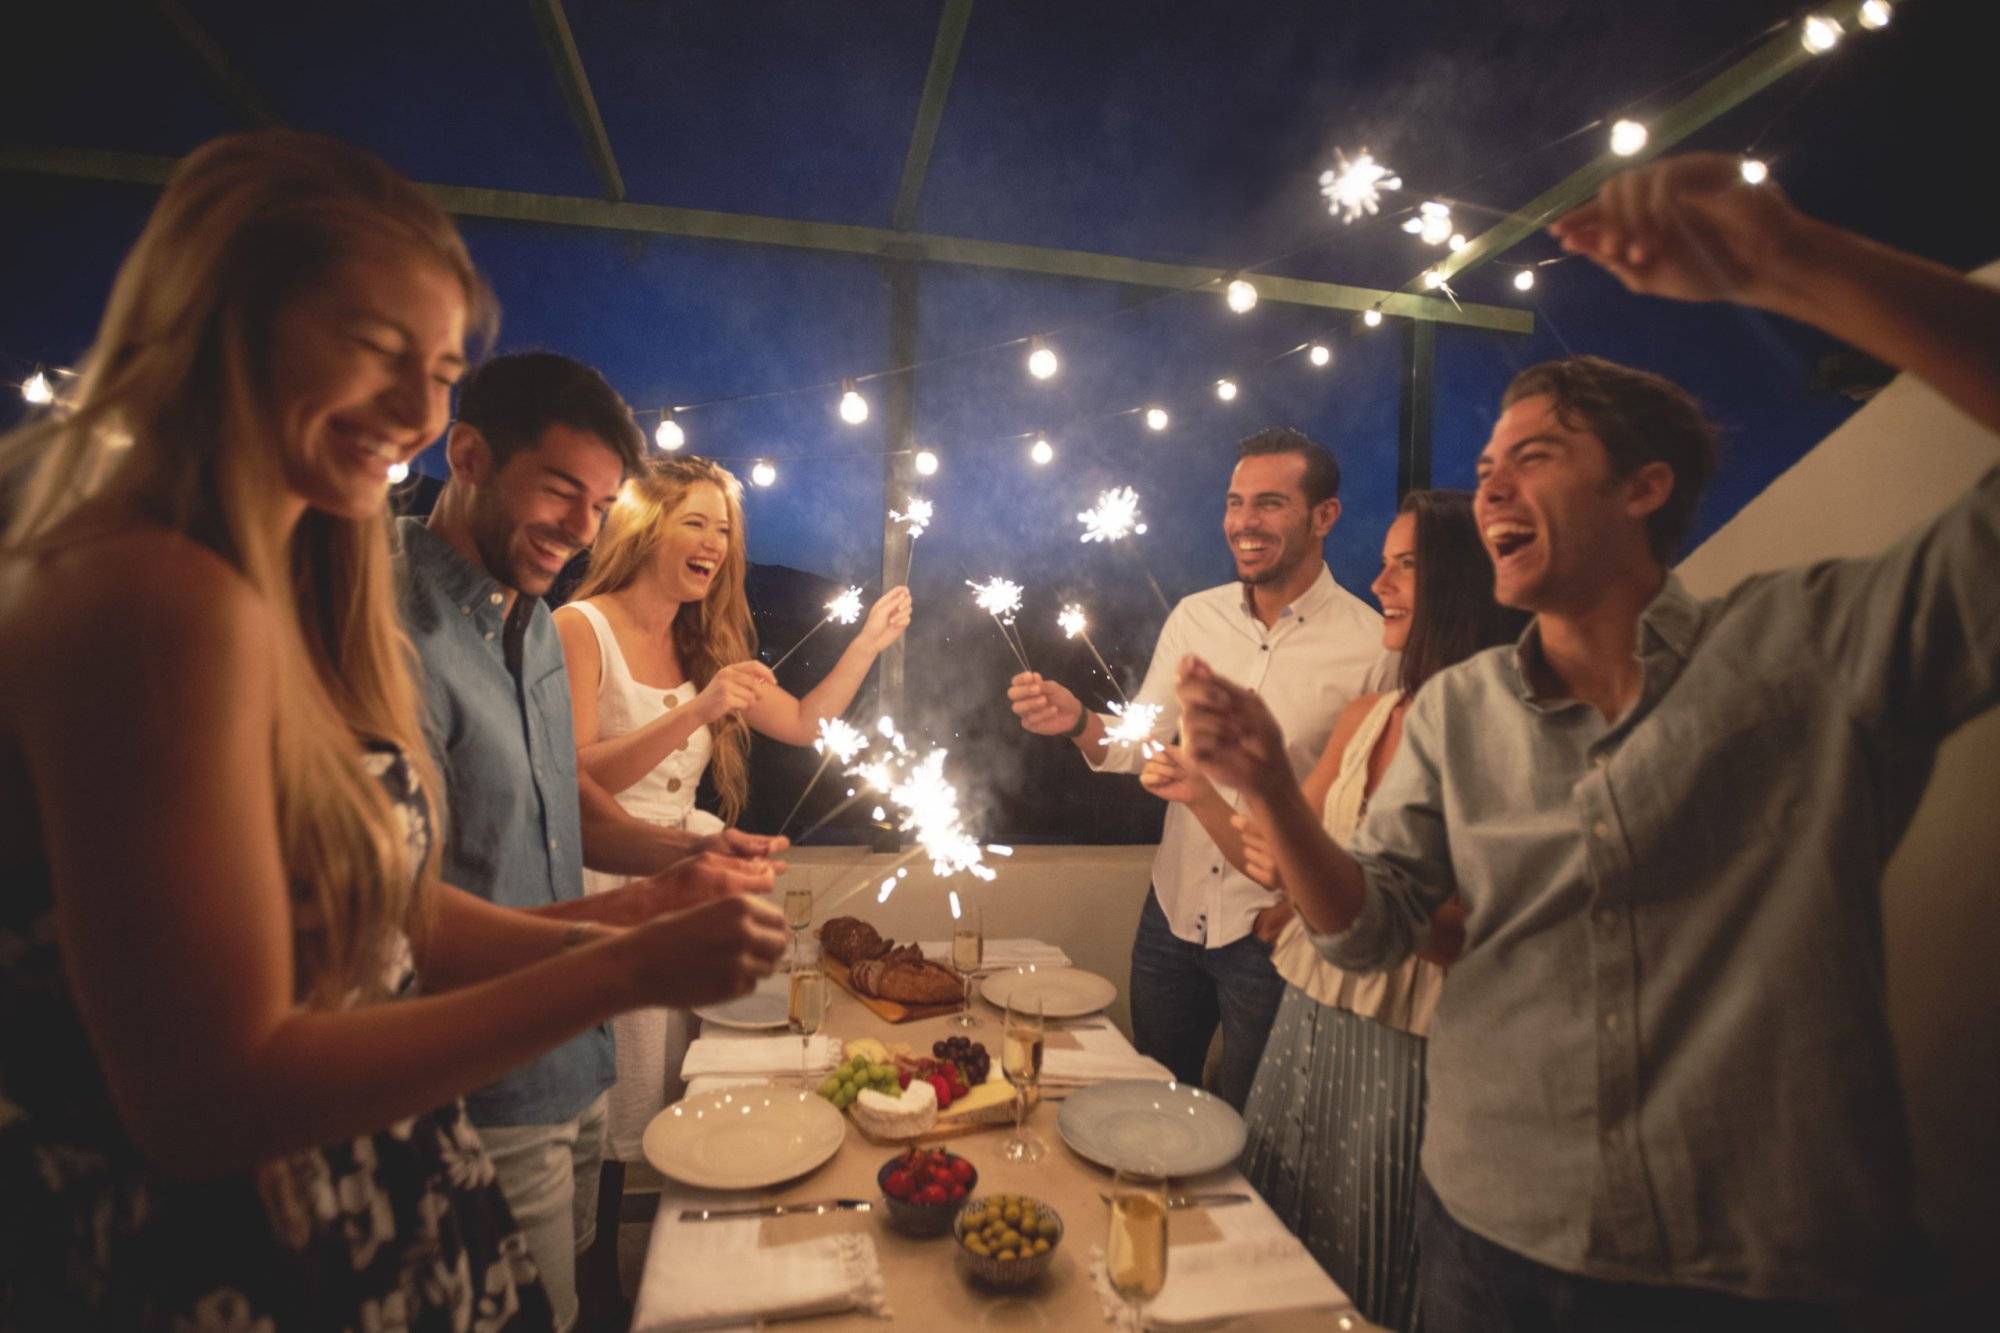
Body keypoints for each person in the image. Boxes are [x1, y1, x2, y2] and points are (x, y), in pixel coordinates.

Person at [1176, 154, 2000, 1329]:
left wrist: (1790, 260)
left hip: (1765, 1268)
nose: (1492, 485)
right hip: (1489, 1239)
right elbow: (1366, 936)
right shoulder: (1461, 712)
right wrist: (1265, 785)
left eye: (1534, 456)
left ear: (1641, 488)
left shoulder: (1807, 649)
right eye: (1483, 466)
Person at [0, 130, 789, 1331]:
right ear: (220, 317)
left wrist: (616, 913)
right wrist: (625, 970)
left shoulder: (298, 581)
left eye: (439, 366)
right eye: (377, 348)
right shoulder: (157, 590)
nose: (421, 411)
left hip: (389, 1201)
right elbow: (203, 1097)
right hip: (241, 1259)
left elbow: (375, 908)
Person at [398, 351, 789, 1331]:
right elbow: (389, 911)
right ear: (469, 456)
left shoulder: (529, 623)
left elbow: (561, 812)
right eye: (561, 490)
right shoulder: (390, 619)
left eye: (600, 501)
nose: (579, 525)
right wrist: (628, 953)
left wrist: (681, 867)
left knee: (576, 1304)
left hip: (575, 1057)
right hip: (483, 1079)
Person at [1142, 489, 1525, 1329]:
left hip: (1412, 1041)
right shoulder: (1369, 715)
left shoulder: (1502, 725)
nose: (1381, 581)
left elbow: (1500, 923)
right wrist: (1207, 788)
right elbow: (1280, 865)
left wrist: (1345, 910)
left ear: (1462, 580)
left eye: (1405, 564)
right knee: (1282, 1233)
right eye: (1383, 562)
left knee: (1380, 1257)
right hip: (1312, 1022)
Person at [1007, 428, 1391, 1109]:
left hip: (1274, 933)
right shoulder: (1196, 616)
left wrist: (1298, 904)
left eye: (1269, 503)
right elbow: (1143, 740)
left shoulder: (1369, 646)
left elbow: (1362, 816)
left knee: (1258, 1129)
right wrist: (1080, 722)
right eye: (1235, 502)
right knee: (1154, 1106)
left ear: (1324, 516)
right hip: (1172, 916)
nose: (1244, 522)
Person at [552, 452, 911, 1161]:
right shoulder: (578, 624)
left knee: (670, 1083)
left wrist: (868, 644)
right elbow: (570, 774)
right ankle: (593, 1261)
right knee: (605, 1093)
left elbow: (808, 723)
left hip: (686, 878)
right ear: (645, 528)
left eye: (724, 529)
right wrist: (699, 710)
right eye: (695, 522)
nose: (716, 543)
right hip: (605, 877)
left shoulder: (701, 640)